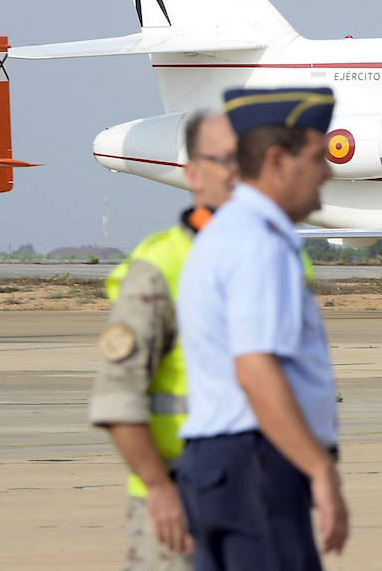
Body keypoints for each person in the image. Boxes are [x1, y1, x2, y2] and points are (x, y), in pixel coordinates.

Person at [175, 87, 347, 570]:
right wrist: (319, 471)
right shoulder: (258, 244)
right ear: (276, 161)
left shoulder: (227, 233)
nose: (329, 171)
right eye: (317, 157)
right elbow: (255, 369)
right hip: (256, 466)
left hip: (222, 468)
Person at [89, 111, 240, 570]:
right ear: (192, 173)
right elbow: (117, 400)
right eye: (223, 160)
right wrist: (158, 488)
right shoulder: (160, 269)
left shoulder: (284, 264)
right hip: (181, 502)